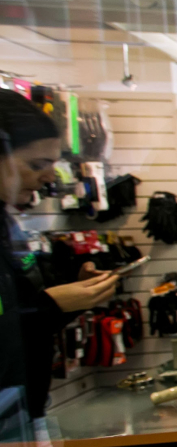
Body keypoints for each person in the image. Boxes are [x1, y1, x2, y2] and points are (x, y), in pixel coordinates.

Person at [0, 91, 119, 420]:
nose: (50, 177)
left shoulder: (6, 226)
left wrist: (69, 296)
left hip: (23, 414)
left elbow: (20, 318)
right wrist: (50, 305)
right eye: (36, 165)